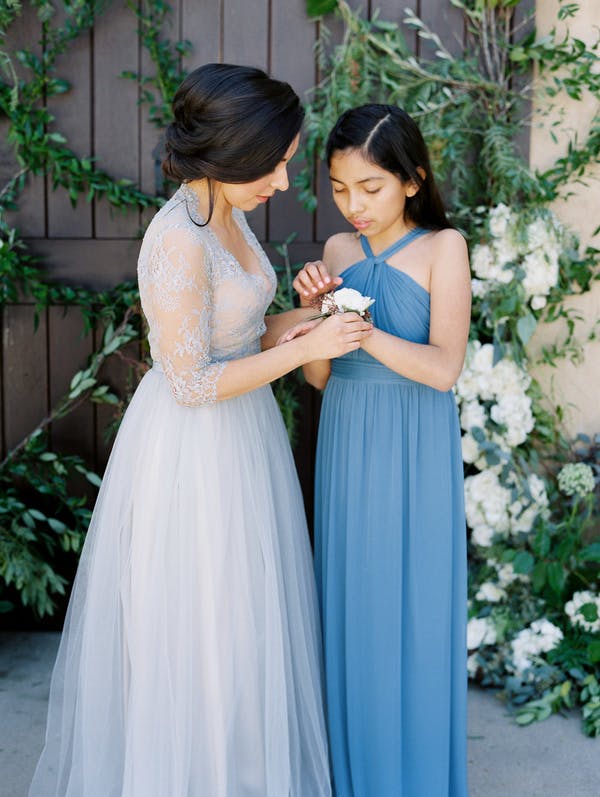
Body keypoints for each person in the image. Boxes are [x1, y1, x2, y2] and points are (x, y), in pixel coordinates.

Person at [29, 63, 372, 797]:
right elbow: (187, 380)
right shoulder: (176, 239)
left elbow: (238, 336)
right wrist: (308, 352)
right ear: (229, 157)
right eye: (275, 164)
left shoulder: (227, 212)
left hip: (245, 437)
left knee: (248, 628)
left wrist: (309, 317)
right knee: (203, 630)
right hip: (194, 452)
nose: (283, 181)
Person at [281, 104, 471, 796]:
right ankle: (352, 774)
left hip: (415, 446)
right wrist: (312, 319)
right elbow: (318, 378)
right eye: (339, 188)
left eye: (371, 188)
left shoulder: (444, 248)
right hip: (349, 436)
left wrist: (350, 322)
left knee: (414, 608)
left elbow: (444, 368)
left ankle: (414, 778)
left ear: (412, 180)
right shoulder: (334, 254)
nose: (353, 205)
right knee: (351, 605)